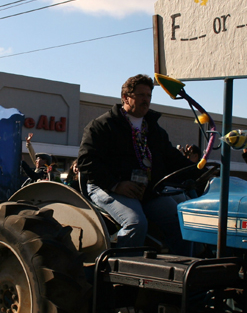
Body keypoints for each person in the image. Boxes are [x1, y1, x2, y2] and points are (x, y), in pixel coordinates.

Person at [78, 74, 192, 253]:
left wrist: (201, 170)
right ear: (126, 97)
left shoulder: (154, 129)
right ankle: (121, 272)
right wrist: (116, 185)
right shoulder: (102, 125)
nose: (146, 100)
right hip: (106, 187)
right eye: (141, 95)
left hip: (146, 191)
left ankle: (181, 273)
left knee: (183, 222)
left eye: (149, 96)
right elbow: (86, 162)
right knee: (135, 223)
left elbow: (173, 159)